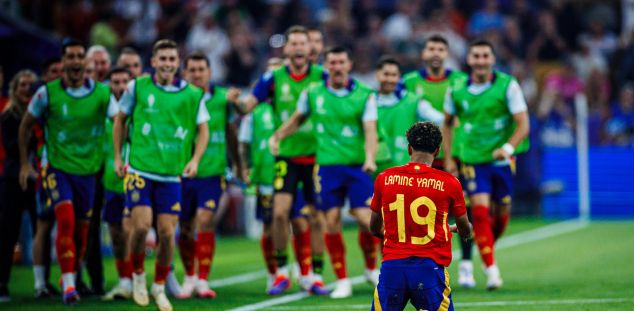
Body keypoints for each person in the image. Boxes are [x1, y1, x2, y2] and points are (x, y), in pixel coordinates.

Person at [270, 46, 380, 299]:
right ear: (326, 66)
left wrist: (371, 157)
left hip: (357, 167)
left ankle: (372, 267)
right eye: (332, 62)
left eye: (341, 61)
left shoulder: (364, 94)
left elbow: (371, 129)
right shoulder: (313, 93)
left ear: (349, 65)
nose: (337, 66)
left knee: (368, 220)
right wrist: (279, 134)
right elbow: (298, 118)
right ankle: (342, 280)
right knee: (330, 221)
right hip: (327, 168)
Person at [113, 39, 209, 311]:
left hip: (170, 174)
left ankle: (159, 286)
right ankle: (138, 276)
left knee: (167, 234)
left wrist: (195, 160)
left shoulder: (192, 94)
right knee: (141, 226)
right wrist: (119, 157)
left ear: (177, 63)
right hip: (141, 169)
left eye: (171, 59)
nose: (167, 64)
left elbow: (204, 129)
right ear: (153, 62)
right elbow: (120, 119)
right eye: (162, 59)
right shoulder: (138, 87)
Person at [18, 38, 111, 305]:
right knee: (65, 220)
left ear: (86, 62)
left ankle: (69, 273)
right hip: (57, 168)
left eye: (79, 56)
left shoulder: (101, 94)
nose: (75, 61)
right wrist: (26, 163)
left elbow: (118, 120)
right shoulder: (47, 93)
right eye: (69, 56)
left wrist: (118, 155)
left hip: (89, 171)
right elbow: (25, 125)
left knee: (83, 233)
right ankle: (69, 285)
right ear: (63, 61)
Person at [237, 25, 328, 296]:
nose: (299, 48)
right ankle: (280, 271)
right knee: (278, 214)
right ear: (286, 49)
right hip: (286, 156)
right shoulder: (273, 79)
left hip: (316, 156)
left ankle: (315, 275)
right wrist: (235, 102)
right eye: (294, 44)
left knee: (315, 218)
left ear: (309, 49)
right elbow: (247, 106)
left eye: (303, 43)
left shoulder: (321, 77)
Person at [442, 39, 530, 290]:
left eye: (485, 56)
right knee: (478, 211)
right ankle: (492, 270)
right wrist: (449, 158)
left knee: (501, 217)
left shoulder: (507, 86)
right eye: (476, 56)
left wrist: (508, 148)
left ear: (492, 60)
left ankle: (486, 246)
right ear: (469, 61)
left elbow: (523, 123)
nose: (480, 61)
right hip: (472, 159)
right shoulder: (456, 89)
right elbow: (447, 123)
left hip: (501, 161)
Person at [369, 121, 473, 311]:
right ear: (437, 151)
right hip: (429, 270)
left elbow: (374, 227)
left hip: (393, 269)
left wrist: (400, 238)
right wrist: (465, 231)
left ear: (409, 148)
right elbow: (464, 227)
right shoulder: (450, 182)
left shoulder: (385, 178)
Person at [400, 34, 476, 288]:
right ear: (423, 53)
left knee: (463, 208)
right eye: (431, 47)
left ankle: (466, 265)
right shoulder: (408, 82)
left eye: (440, 49)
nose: (435, 52)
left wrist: (453, 154)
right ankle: (417, 260)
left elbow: (465, 118)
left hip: (452, 157)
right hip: (420, 158)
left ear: (447, 54)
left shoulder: (461, 81)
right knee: (418, 210)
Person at [175, 52, 240, 299]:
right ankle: (189, 276)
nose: (197, 74)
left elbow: (230, 132)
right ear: (185, 74)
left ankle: (202, 279)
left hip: (212, 173)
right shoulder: (178, 99)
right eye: (192, 70)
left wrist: (239, 165)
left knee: (205, 220)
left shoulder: (223, 99)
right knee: (186, 226)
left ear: (210, 72)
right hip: (181, 174)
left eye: (201, 69)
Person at [0, 70, 38, 302]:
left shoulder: (42, 115)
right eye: (22, 85)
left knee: (40, 231)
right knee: (7, 234)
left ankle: (42, 282)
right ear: (14, 89)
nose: (26, 89)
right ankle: (2, 283)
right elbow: (11, 146)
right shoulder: (8, 116)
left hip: (37, 181)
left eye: (30, 86)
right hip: (13, 181)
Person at [31, 57, 64, 299]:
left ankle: (71, 278)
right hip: (49, 170)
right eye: (53, 71)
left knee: (72, 225)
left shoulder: (72, 97)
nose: (58, 75)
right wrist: (25, 164)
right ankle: (40, 282)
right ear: (44, 76)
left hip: (76, 171)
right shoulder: (43, 99)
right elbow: (26, 130)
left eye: (61, 71)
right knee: (44, 224)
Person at [102, 66, 133, 301]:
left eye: (124, 81)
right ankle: (124, 280)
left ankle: (136, 278)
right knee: (115, 232)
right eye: (116, 82)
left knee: (132, 228)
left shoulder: (137, 107)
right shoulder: (103, 109)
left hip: (136, 179)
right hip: (110, 180)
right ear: (109, 85)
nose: (120, 86)